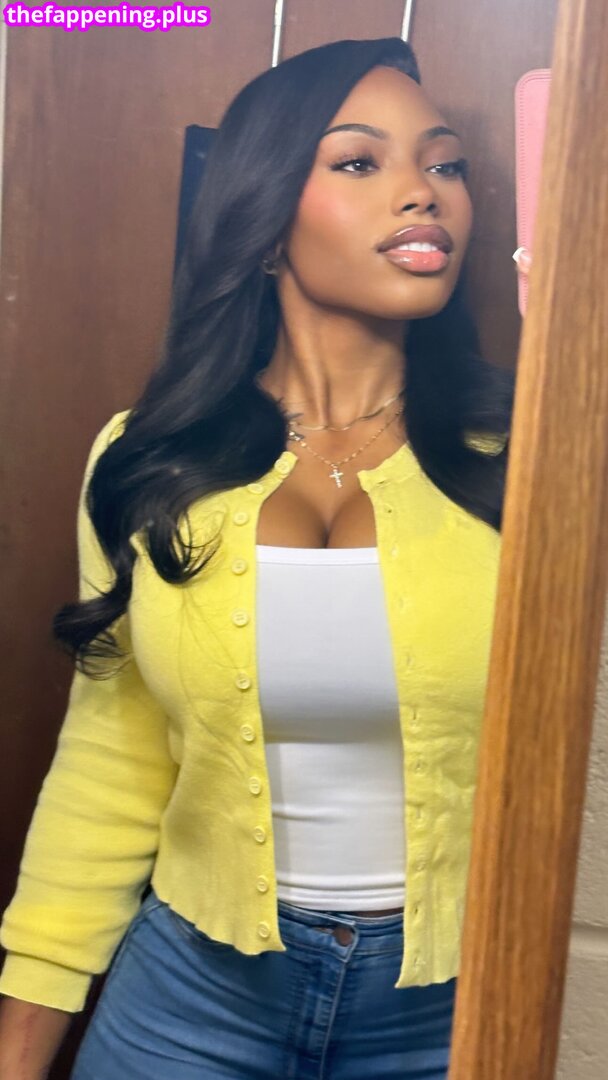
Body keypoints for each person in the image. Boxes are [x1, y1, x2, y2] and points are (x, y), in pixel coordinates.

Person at [0, 36, 515, 1080]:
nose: (424, 192)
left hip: (455, 1012)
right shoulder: (146, 456)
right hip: (188, 999)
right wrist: (20, 1045)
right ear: (266, 219)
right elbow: (112, 756)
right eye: (360, 161)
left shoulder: (536, 460)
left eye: (446, 163)